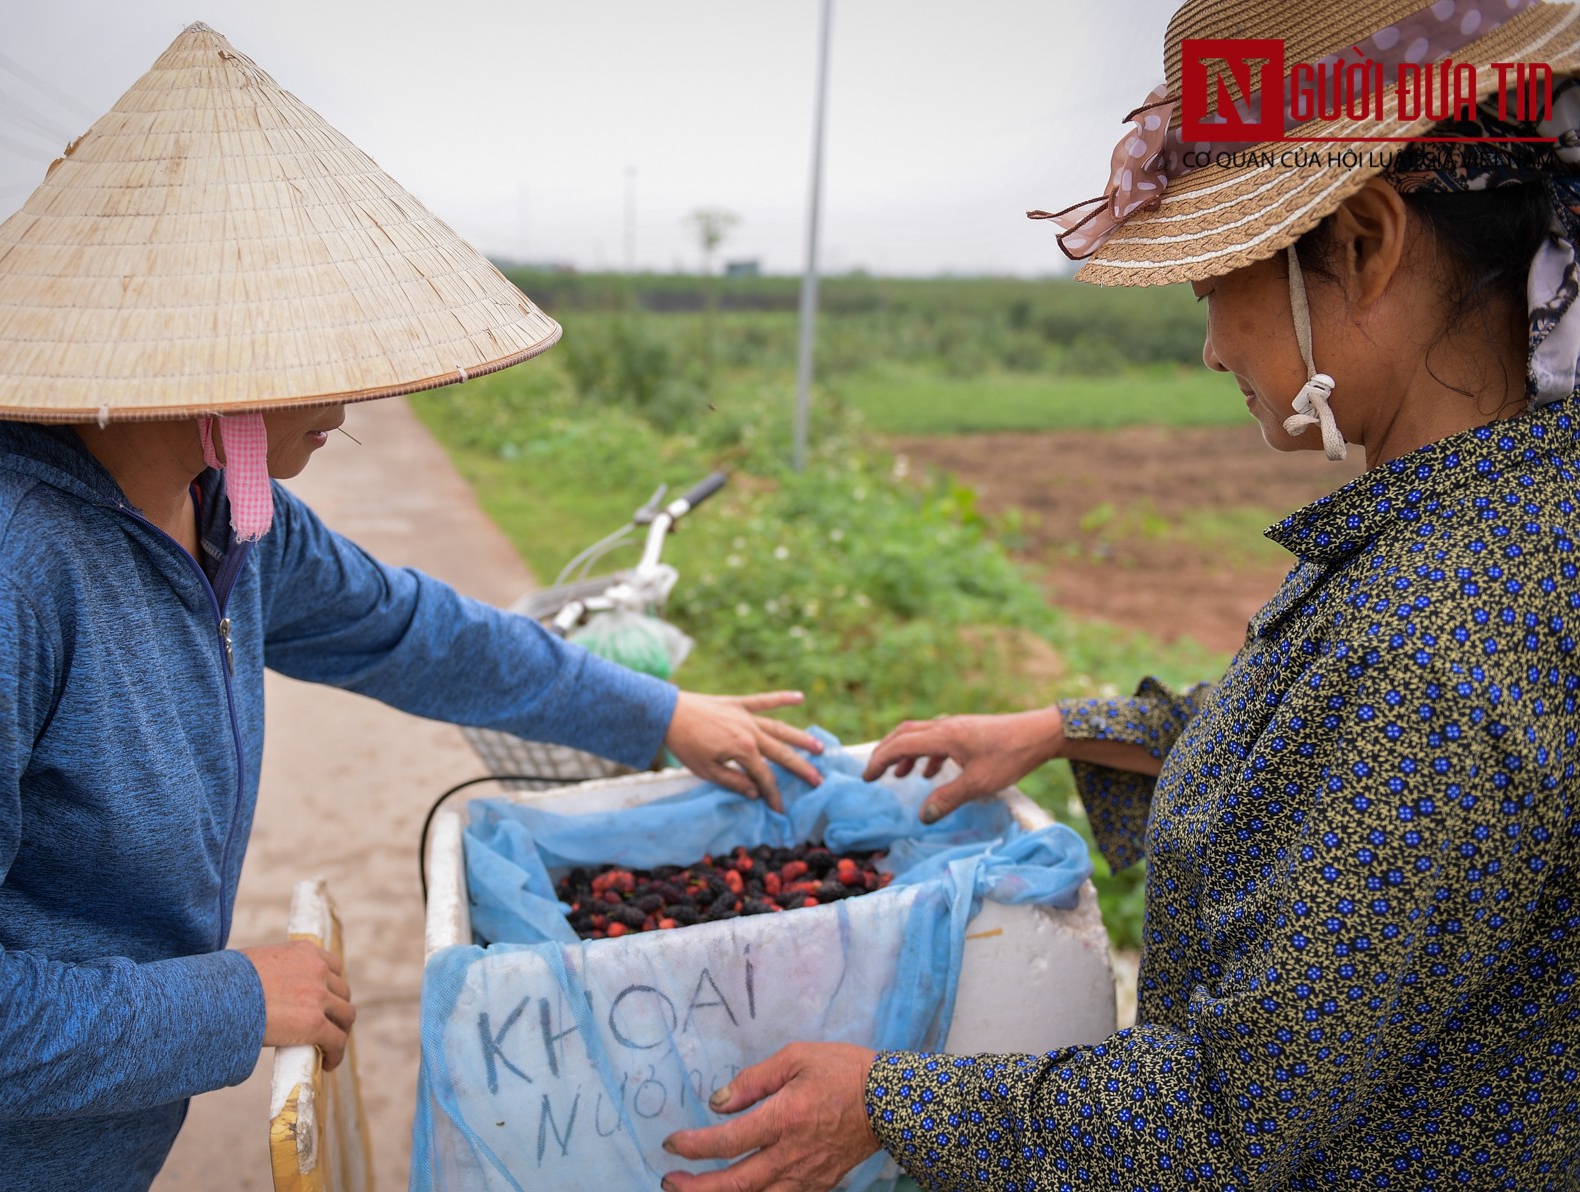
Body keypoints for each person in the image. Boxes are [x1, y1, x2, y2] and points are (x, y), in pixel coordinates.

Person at [0, 24, 820, 1192]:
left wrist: (662, 713)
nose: (355, 395)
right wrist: (230, 997)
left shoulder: (221, 512)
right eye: (320, 355)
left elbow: (412, 629)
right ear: (209, 361)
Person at [660, 1, 1580, 1188]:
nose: (1209, 346)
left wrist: (884, 1100)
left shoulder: (1433, 637)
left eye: (1215, 280)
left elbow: (1226, 1118)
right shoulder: (1492, 528)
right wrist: (1061, 731)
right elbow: (1320, 755)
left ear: (1364, 242)